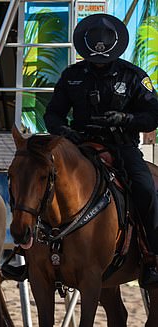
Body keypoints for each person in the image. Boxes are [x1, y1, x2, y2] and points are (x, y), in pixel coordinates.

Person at [43, 13, 158, 289]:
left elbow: (153, 114)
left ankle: (152, 257)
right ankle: (30, 250)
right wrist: (64, 132)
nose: (98, 63)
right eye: (93, 58)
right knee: (41, 183)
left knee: (146, 190)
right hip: (80, 146)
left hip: (122, 147)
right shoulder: (72, 76)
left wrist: (126, 119)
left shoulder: (134, 77)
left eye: (103, 59)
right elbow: (53, 114)